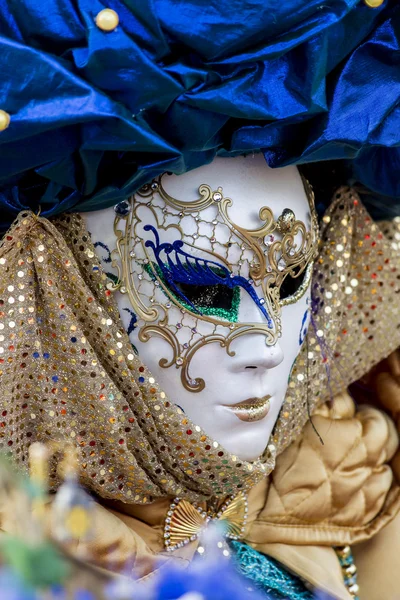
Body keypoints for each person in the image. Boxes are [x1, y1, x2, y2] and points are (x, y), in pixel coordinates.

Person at [0, 2, 399, 599]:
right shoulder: (25, 551)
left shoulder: (361, 484)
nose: (266, 348)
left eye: (291, 282)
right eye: (204, 289)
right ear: (62, 293)